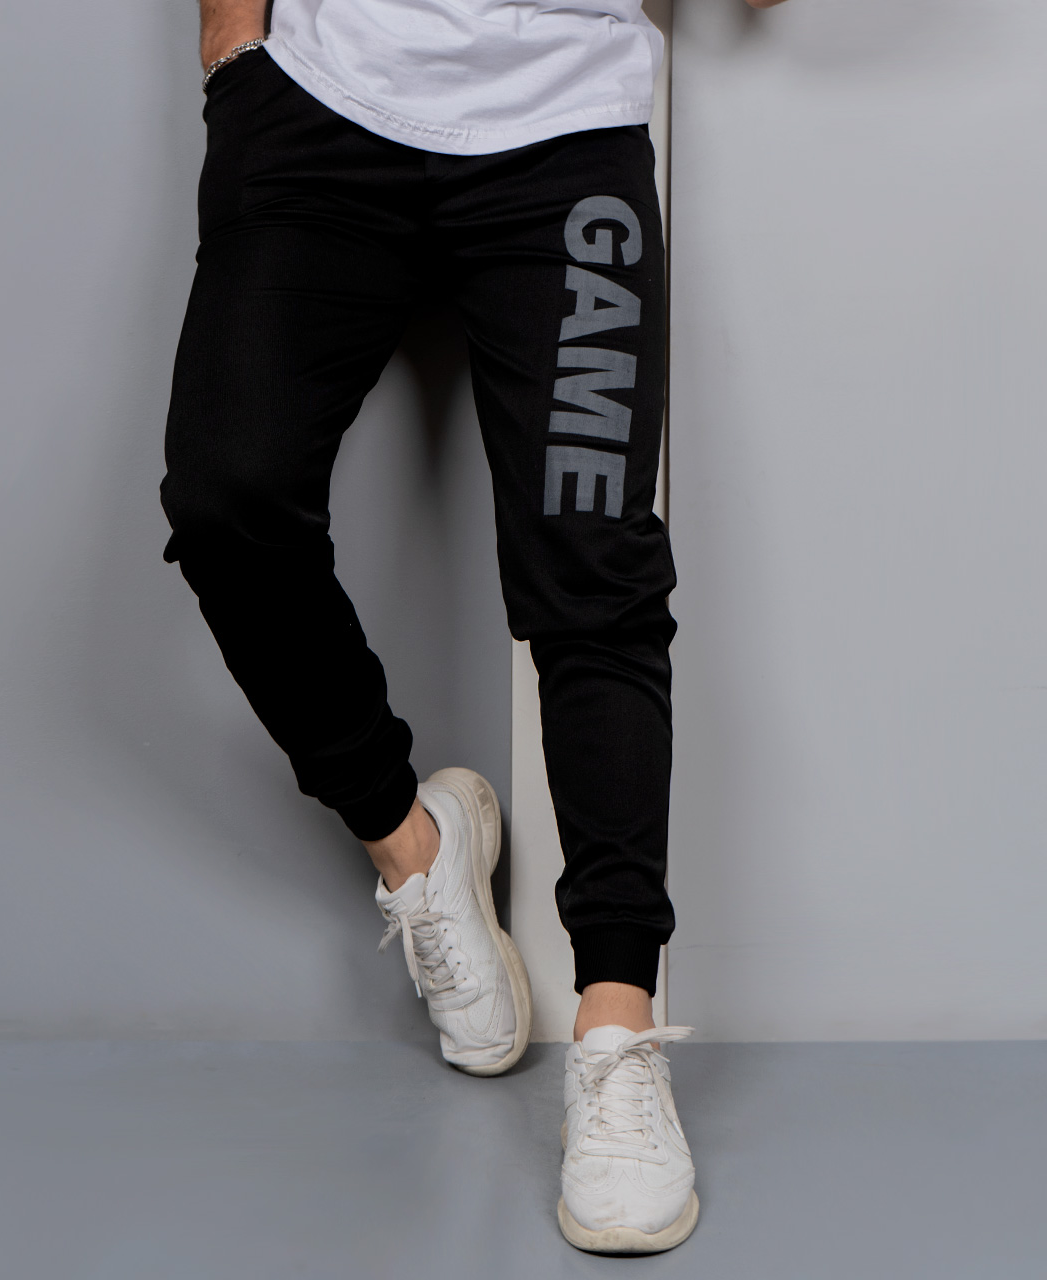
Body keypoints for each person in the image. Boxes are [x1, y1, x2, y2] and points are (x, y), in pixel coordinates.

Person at [162, 0, 788, 1255]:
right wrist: (234, 56)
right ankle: (415, 846)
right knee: (228, 501)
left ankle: (615, 1038)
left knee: (592, 571)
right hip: (321, 108)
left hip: (566, 139)